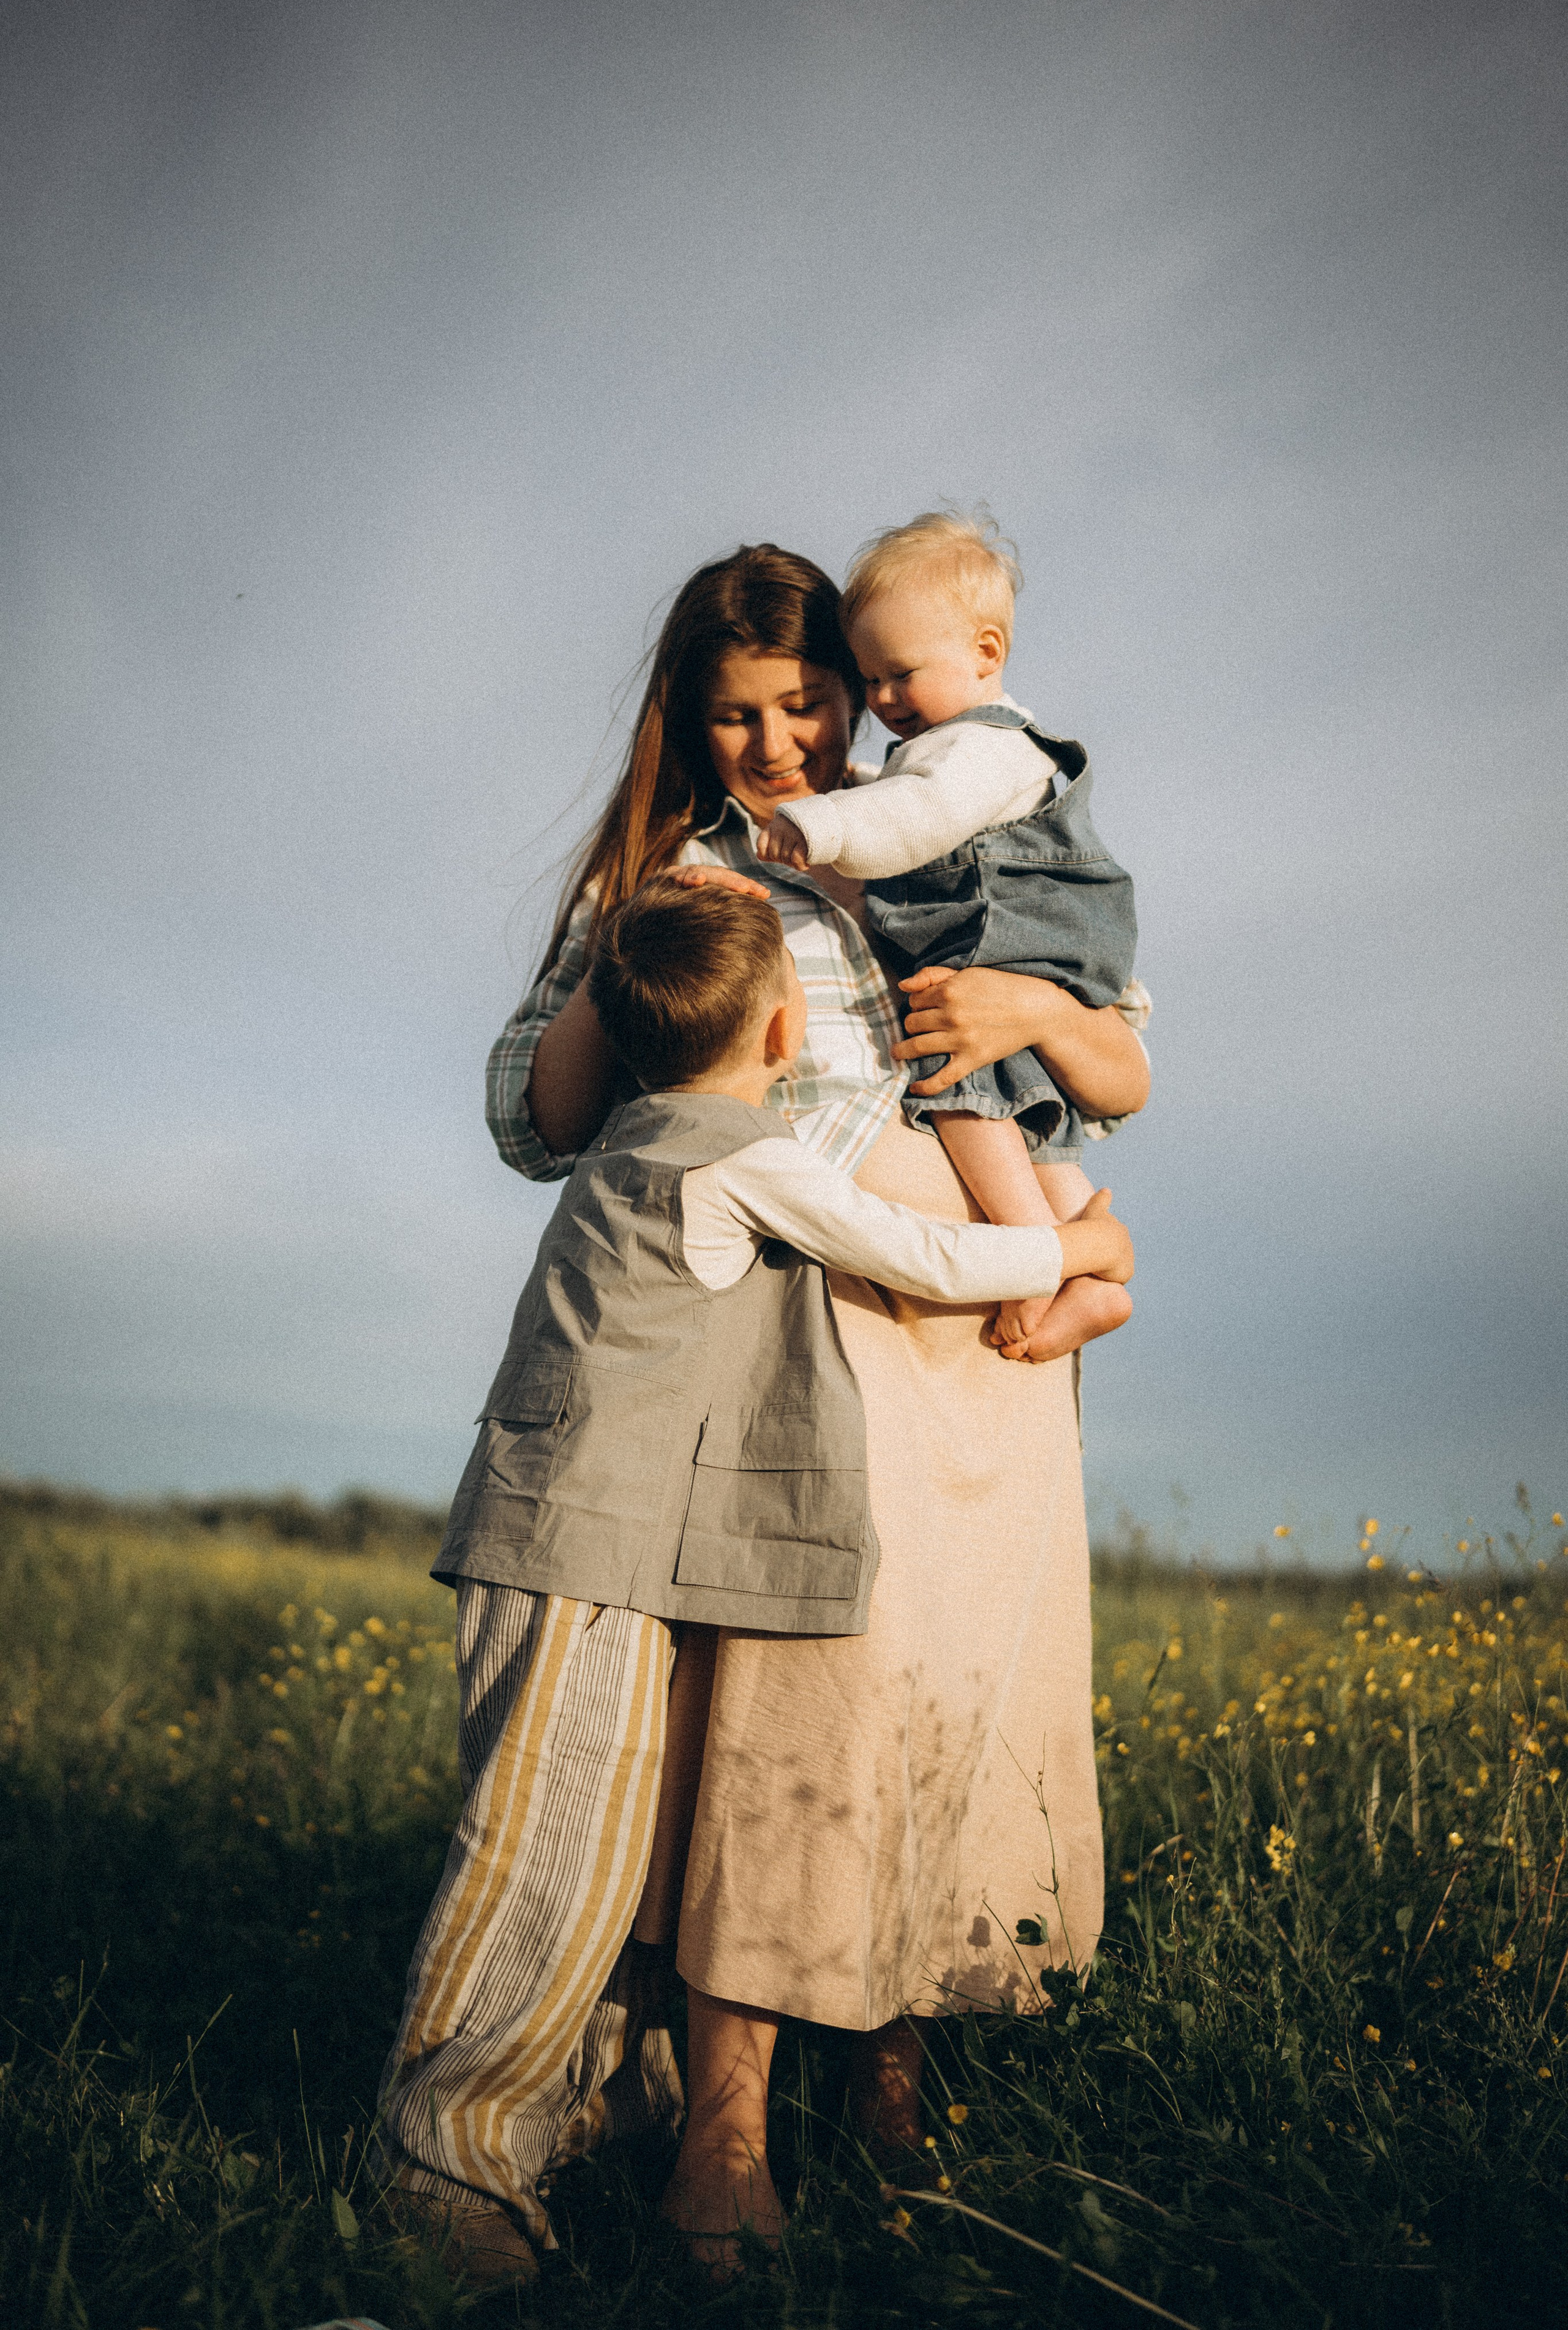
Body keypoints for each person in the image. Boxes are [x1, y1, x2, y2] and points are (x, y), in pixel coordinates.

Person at [482, 541, 1150, 2268]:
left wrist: (1030, 1014)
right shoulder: (693, 870)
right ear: (685, 726)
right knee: (787, 1728)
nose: (779, 742)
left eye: (807, 703)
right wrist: (621, 932)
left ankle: (895, 2087)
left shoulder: (954, 817)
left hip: (990, 1332)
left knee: (946, 1701)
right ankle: (723, 2141)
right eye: (735, 715)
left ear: (862, 690)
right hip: (818, 1317)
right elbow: (535, 1115)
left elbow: (1120, 1069)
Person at [377, 870, 1133, 2280]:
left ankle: (579, 2120)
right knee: (541, 1856)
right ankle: (444, 2171)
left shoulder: (635, 1140)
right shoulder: (755, 1156)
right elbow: (913, 1250)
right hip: (589, 1542)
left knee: (593, 1850)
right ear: (787, 1038)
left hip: (550, 1524)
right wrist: (1078, 1244)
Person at [758, 510, 1138, 1365]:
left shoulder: (971, 752)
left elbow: (915, 821)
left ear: (987, 653)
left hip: (1003, 944)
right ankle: (1094, 1273)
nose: (886, 700)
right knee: (1031, 1127)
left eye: (901, 675)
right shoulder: (959, 745)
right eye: (872, 680)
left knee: (953, 1088)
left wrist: (817, 829)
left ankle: (1033, 1262)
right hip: (1022, 951)